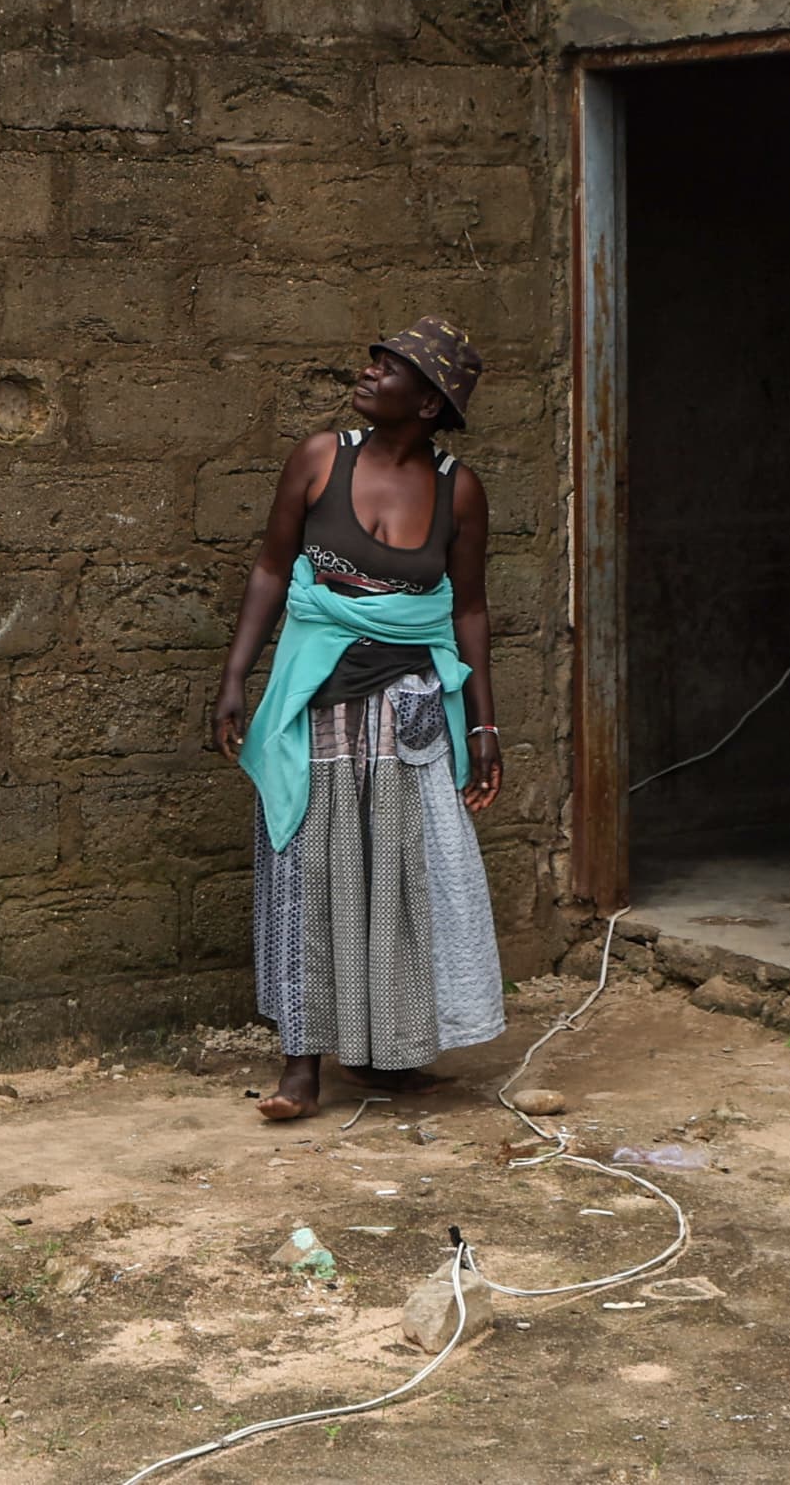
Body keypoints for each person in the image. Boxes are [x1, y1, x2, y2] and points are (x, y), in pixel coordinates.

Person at [211, 319, 506, 1122]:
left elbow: (469, 611)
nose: (371, 371)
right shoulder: (319, 459)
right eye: (375, 360)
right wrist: (236, 677)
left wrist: (484, 727)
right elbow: (272, 569)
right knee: (310, 873)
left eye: (393, 367)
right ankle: (301, 1066)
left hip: (408, 711)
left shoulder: (458, 489)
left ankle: (391, 1054)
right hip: (318, 700)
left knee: (397, 877)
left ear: (430, 404)